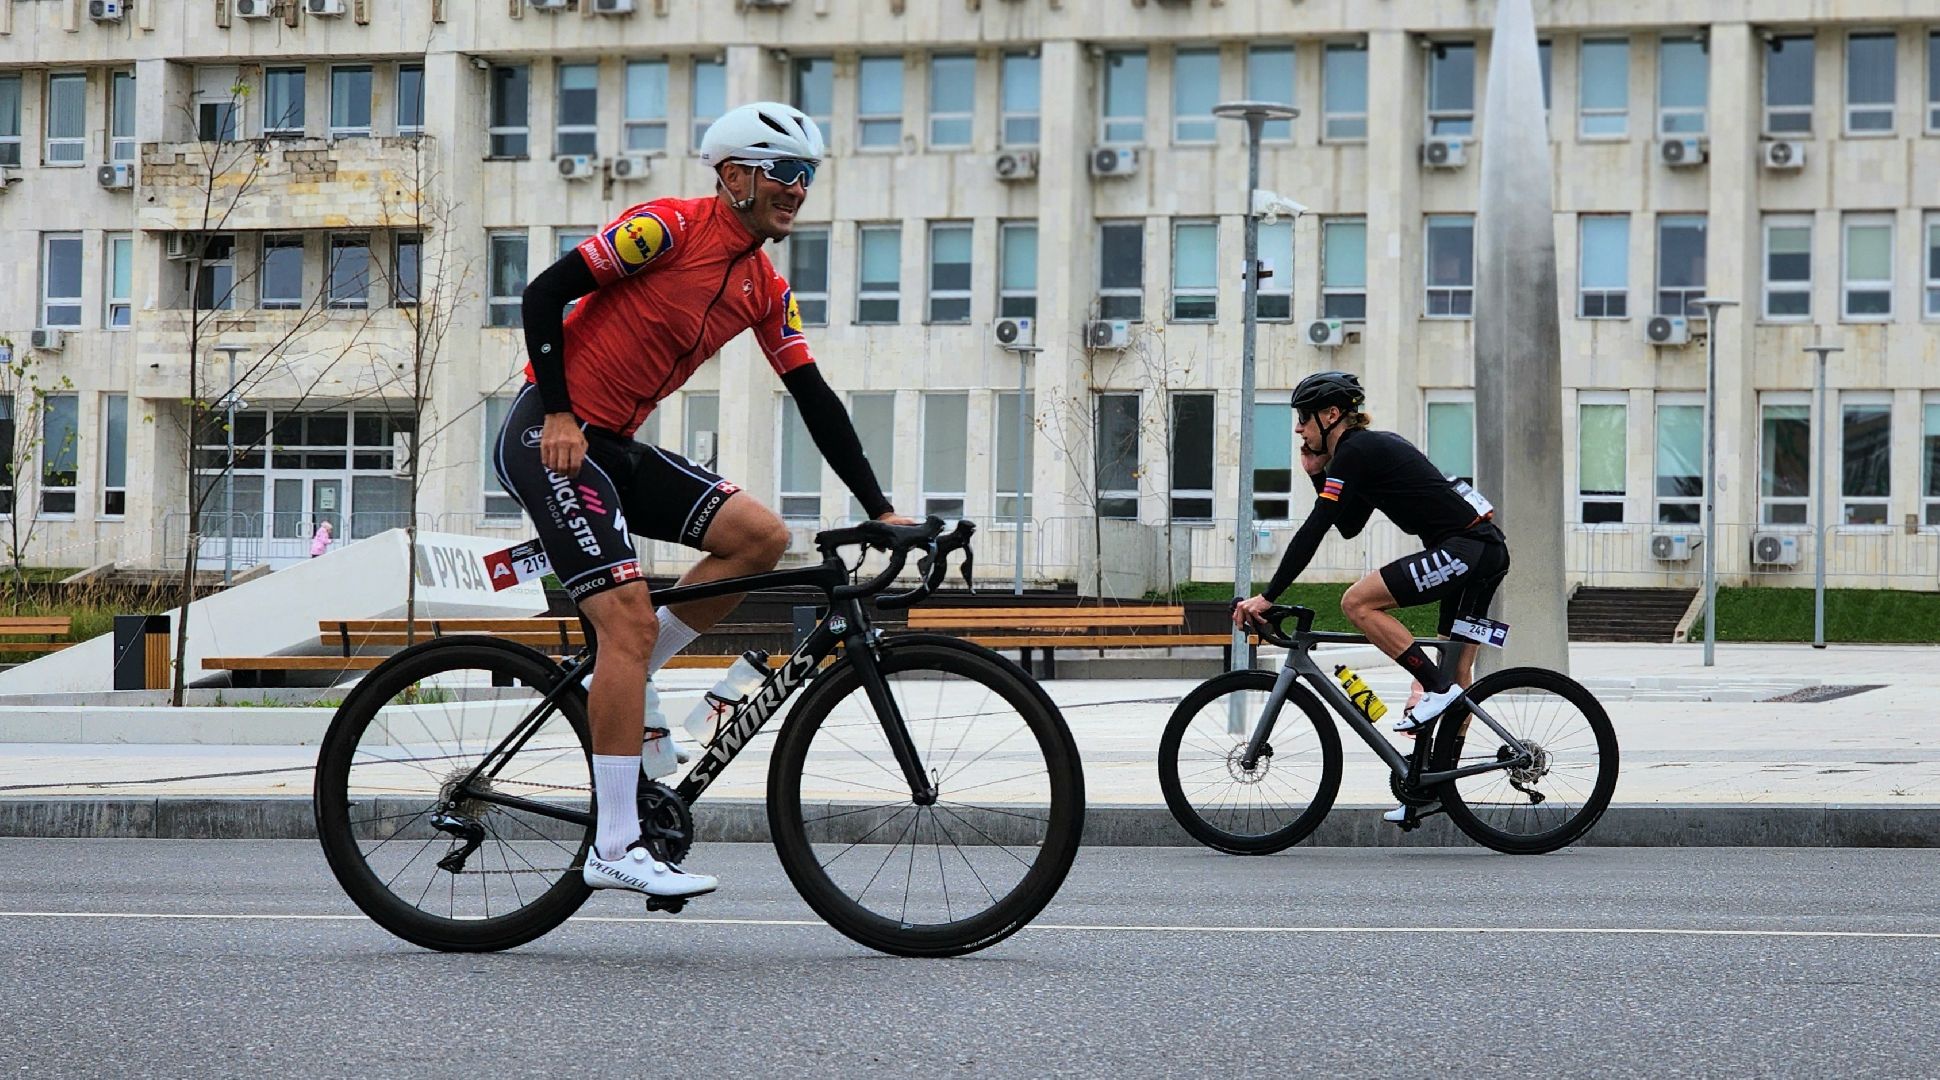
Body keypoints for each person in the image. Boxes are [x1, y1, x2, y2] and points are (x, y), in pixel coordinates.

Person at [495, 102, 914, 900]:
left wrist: (880, 505)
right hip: (550, 433)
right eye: (785, 172)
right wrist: (554, 409)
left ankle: (622, 675)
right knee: (624, 617)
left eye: (808, 175)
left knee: (760, 537)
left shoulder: (763, 283)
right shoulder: (664, 229)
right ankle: (614, 844)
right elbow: (545, 292)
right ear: (734, 177)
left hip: (612, 442)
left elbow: (812, 393)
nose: (798, 189)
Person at [1232, 370, 1509, 825]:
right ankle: (1434, 788)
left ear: (1331, 414)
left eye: (1303, 418)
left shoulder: (1358, 449)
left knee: (1357, 602)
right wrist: (1316, 476)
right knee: (1458, 677)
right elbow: (1347, 523)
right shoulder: (1358, 455)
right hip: (1480, 551)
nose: (1298, 429)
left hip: (1466, 549)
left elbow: (1317, 527)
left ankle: (1436, 691)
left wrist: (1268, 595)